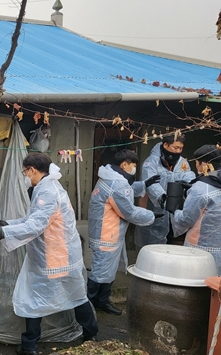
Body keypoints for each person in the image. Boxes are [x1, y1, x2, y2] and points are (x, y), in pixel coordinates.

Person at [0, 153, 98, 355]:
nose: (25, 176)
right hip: (63, 255)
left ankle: (30, 346)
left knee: (33, 299)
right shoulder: (49, 187)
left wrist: (4, 233)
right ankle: (91, 334)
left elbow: (35, 225)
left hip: (51, 257)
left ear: (32, 170)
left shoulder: (47, 192)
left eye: (24, 172)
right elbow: (32, 219)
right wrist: (7, 224)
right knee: (76, 294)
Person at [87, 150, 162, 315]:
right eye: (133, 165)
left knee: (107, 270)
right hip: (107, 234)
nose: (134, 168)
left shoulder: (110, 177)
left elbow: (126, 191)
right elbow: (129, 212)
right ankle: (89, 306)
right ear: (124, 164)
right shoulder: (117, 183)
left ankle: (101, 301)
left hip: (106, 232)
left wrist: (145, 184)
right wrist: (151, 215)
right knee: (100, 272)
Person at [134, 134, 195, 247]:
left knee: (170, 242)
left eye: (180, 148)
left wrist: (191, 186)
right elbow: (150, 182)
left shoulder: (182, 162)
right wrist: (161, 197)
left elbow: (188, 176)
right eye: (175, 147)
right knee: (151, 243)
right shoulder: (152, 162)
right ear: (165, 145)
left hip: (175, 209)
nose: (178, 151)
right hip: (155, 207)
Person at [170, 145, 221, 273]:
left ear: (203, 164)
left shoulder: (201, 189)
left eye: (197, 163)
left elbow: (186, 219)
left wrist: (175, 211)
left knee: (198, 283)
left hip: (199, 250)